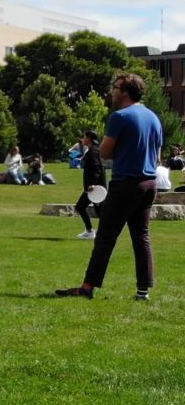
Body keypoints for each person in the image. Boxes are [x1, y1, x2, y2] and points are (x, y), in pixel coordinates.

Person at [57, 72, 163, 301]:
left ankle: (87, 287)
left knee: (105, 236)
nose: (112, 91)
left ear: (125, 91)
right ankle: (143, 291)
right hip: (149, 183)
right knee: (141, 235)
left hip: (125, 183)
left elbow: (104, 152)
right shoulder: (154, 118)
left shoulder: (119, 117)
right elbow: (157, 156)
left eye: (115, 87)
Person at [73, 129, 105, 240]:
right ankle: (98, 232)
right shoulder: (93, 150)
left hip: (94, 188)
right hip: (96, 188)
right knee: (99, 211)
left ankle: (90, 231)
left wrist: (92, 184)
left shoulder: (93, 151)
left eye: (85, 137)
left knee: (80, 206)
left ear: (90, 139)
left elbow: (96, 169)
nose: (83, 139)